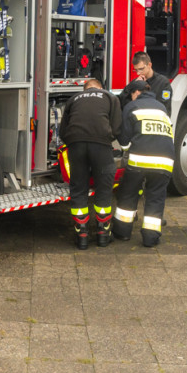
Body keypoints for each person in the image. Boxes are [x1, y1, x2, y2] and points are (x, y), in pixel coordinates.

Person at [59, 78, 122, 249]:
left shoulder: (74, 99)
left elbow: (63, 130)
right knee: (104, 187)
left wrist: (75, 142)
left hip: (76, 145)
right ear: (101, 88)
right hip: (101, 146)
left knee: (78, 188)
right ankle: (103, 234)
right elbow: (116, 128)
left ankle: (82, 236)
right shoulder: (110, 97)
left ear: (84, 89)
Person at [112, 80, 174, 248]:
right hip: (165, 161)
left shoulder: (132, 107)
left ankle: (122, 232)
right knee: (156, 197)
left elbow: (124, 140)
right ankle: (150, 238)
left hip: (140, 160)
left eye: (131, 94)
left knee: (128, 193)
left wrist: (126, 148)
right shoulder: (161, 107)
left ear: (136, 93)